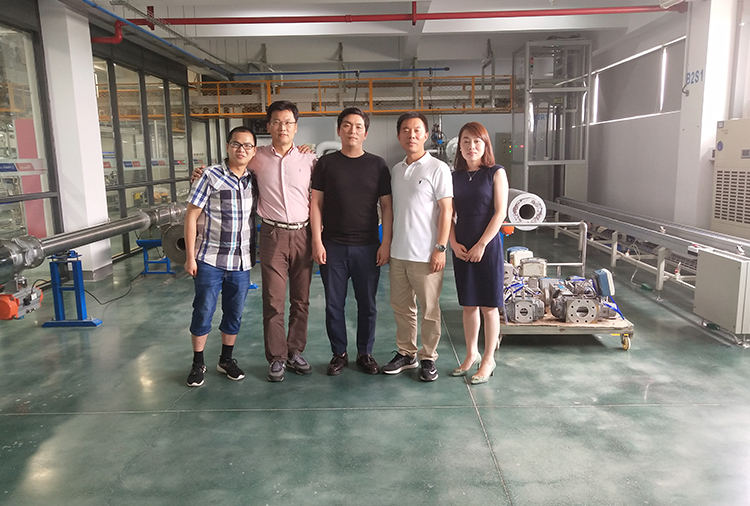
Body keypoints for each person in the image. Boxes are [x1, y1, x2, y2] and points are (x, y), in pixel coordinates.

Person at [192, 101, 317, 383]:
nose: (283, 127)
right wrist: (200, 174)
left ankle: (295, 352)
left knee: (301, 300)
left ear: (296, 127)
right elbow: (229, 166)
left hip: (303, 234)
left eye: (288, 122)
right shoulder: (256, 156)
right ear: (268, 126)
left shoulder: (309, 160)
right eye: (277, 122)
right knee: (273, 300)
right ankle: (277, 357)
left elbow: (319, 197)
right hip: (272, 234)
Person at [310, 107, 393, 376]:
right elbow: (316, 203)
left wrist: (385, 243)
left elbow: (387, 207)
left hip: (367, 246)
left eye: (358, 126)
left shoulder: (377, 165)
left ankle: (365, 353)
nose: (352, 131)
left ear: (365, 133)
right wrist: (317, 241)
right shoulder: (326, 164)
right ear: (338, 130)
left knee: (367, 304)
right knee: (334, 304)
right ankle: (339, 353)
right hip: (332, 246)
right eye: (347, 125)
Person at [381, 112, 453, 382]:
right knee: (402, 308)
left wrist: (440, 248)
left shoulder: (437, 168)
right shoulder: (396, 170)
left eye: (416, 130)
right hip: (399, 253)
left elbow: (446, 210)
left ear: (425, 135)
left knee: (430, 310)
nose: (411, 135)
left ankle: (428, 357)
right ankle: (406, 353)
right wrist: (388, 245)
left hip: (426, 255)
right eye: (405, 130)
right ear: (399, 135)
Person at [184, 126, 258, 387]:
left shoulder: (253, 179)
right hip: (210, 259)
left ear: (254, 151)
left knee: (234, 313)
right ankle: (198, 363)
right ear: (228, 147)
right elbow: (191, 216)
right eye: (236, 144)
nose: (242, 150)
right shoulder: (210, 176)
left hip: (241, 261)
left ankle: (226, 359)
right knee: (203, 310)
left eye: (247, 146)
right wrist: (190, 256)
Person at [448, 122, 509, 385]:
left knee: (489, 305)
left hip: (488, 245)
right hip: (462, 245)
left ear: (485, 145)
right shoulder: (454, 177)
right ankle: (471, 354)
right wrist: (452, 242)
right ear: (459, 147)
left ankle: (488, 358)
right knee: (469, 304)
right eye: (466, 141)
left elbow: (500, 212)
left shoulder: (496, 173)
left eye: (476, 141)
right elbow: (448, 214)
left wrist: (482, 244)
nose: (471, 146)